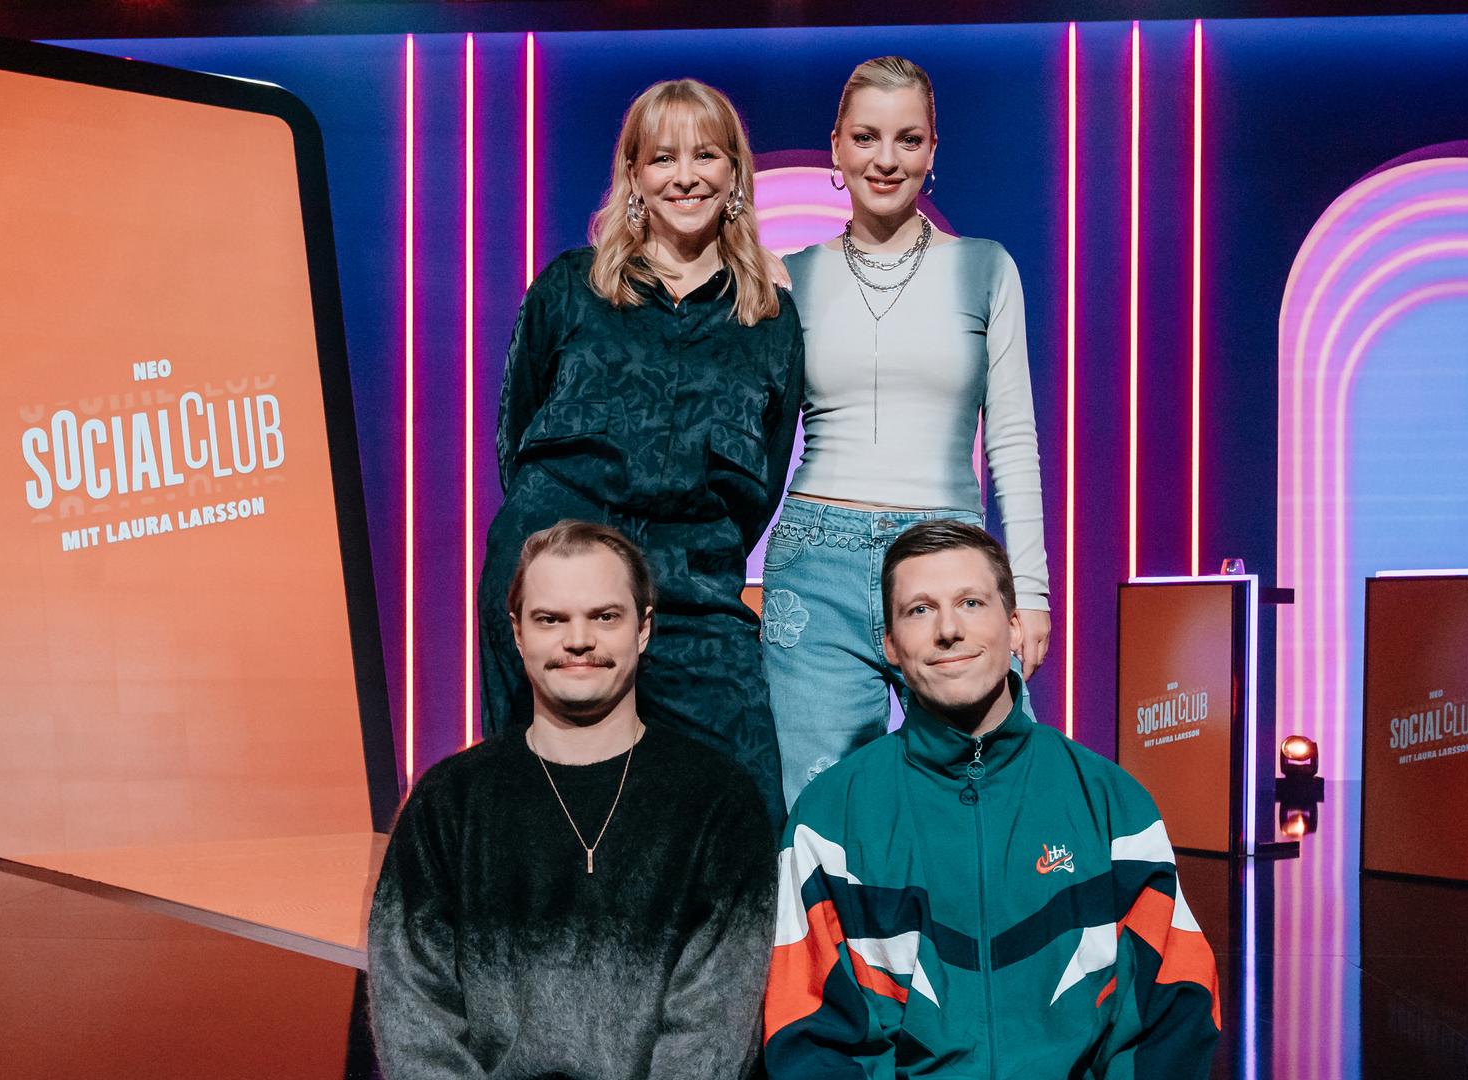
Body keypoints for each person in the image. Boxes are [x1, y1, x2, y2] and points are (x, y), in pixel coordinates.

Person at [763, 521, 1219, 1079]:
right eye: (919, 610)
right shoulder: (829, 819)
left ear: (1014, 624)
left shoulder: (1110, 804)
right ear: (889, 645)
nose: (948, 630)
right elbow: (806, 1032)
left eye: (971, 602)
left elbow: (1175, 1005)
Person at [480, 77, 803, 820]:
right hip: (555, 578)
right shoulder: (569, 286)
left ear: (735, 175)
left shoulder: (770, 317)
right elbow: (515, 434)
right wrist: (554, 550)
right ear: (634, 176)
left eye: (706, 156)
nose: (684, 176)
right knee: (539, 804)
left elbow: (764, 472)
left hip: (693, 583)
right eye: (662, 158)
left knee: (747, 806)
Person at [370, 520, 777, 1079]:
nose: (578, 640)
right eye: (551, 619)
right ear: (516, 633)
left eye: (604, 616)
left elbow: (713, 1030)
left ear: (644, 629)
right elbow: (415, 1023)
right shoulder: (447, 804)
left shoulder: (718, 803)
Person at [762, 56, 1052, 807]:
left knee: (987, 793)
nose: (885, 159)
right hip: (814, 562)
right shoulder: (790, 278)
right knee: (818, 809)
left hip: (950, 559)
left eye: (907, 139)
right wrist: (745, 572)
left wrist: (1032, 591)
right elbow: (749, 444)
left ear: (932, 150)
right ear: (835, 147)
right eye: (866, 137)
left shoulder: (986, 269)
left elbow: (1012, 438)